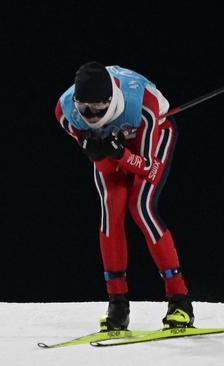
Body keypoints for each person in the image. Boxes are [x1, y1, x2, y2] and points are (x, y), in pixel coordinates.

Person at [54, 61, 194, 330]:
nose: (91, 115)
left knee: (141, 207)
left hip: (151, 136)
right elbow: (100, 159)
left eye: (98, 108)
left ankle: (180, 300)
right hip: (114, 147)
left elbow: (150, 169)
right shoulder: (65, 111)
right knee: (111, 209)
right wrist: (98, 152)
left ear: (110, 100)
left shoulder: (143, 105)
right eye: (84, 108)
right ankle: (117, 305)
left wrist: (122, 154)